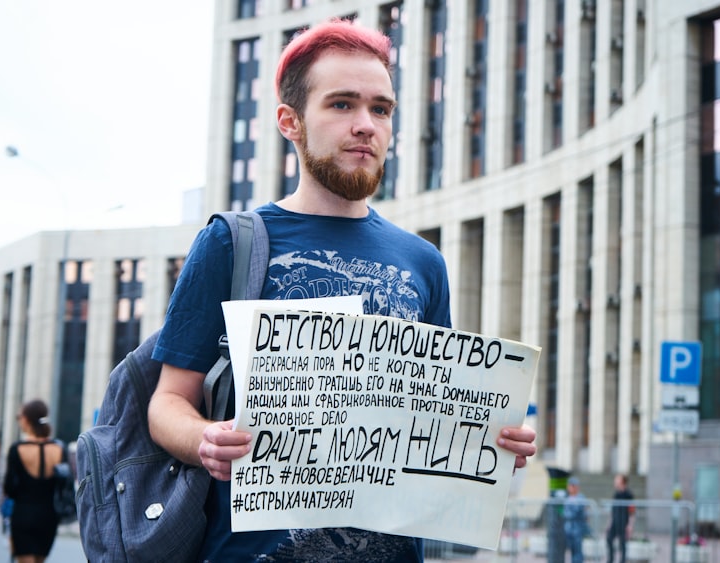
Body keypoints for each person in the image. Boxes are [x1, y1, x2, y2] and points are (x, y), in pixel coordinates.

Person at [147, 19, 538, 562]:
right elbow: (167, 403)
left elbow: (434, 415)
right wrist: (204, 439)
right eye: (342, 105)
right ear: (291, 121)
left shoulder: (424, 263)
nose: (366, 125)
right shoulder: (230, 243)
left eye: (380, 109)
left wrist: (492, 441)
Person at [3, 399, 65, 563]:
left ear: (26, 419)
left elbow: (9, 488)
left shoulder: (17, 449)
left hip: (23, 515)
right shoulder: (59, 449)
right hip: (49, 516)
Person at [606, 473, 636, 563]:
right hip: (615, 521)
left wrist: (630, 525)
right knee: (609, 539)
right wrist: (609, 523)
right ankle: (610, 559)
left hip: (624, 522)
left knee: (623, 544)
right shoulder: (616, 494)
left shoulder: (628, 495)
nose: (615, 481)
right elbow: (613, 510)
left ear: (623, 481)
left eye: (617, 479)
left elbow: (632, 511)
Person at [562, 477, 590, 563]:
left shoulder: (580, 498)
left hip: (577, 528)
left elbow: (574, 512)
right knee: (571, 550)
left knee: (578, 552)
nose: (569, 488)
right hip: (568, 529)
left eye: (571, 486)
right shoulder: (567, 498)